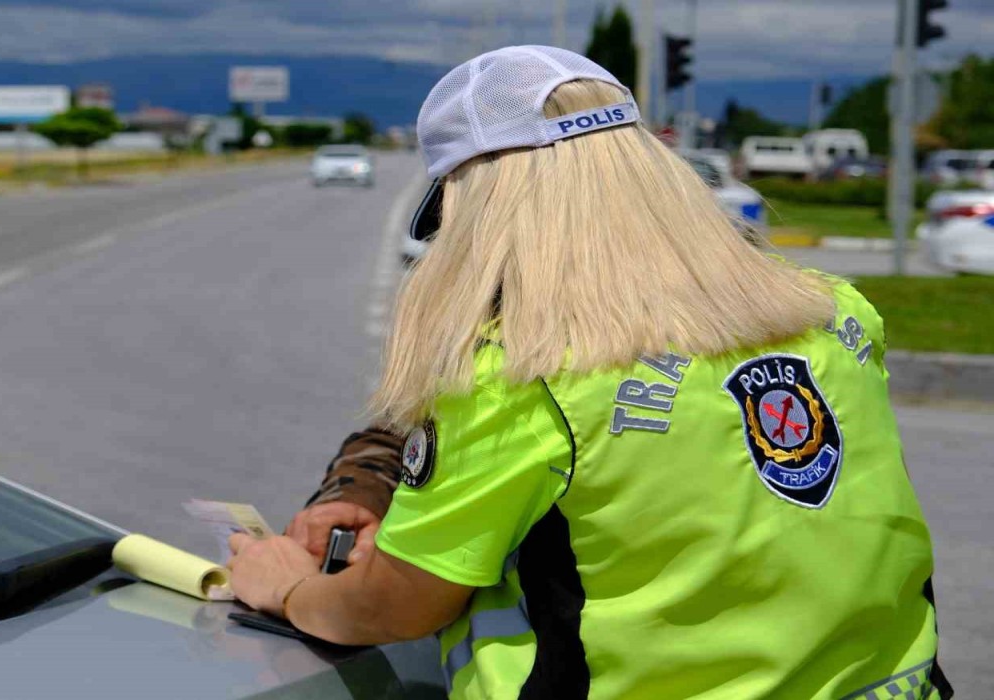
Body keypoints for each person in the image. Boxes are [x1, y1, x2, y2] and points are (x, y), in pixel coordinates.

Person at [228, 46, 950, 699]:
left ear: (481, 205)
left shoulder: (525, 375)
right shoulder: (834, 313)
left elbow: (399, 605)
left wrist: (289, 588)